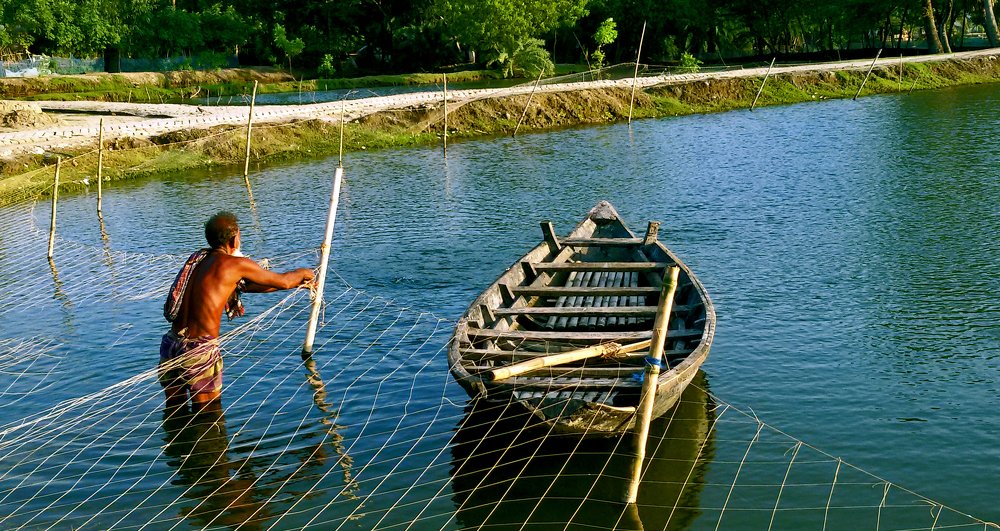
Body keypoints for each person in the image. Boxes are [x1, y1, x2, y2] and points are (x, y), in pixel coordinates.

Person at [159, 211, 314, 408]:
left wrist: (298, 284)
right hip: (199, 351)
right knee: (208, 417)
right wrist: (304, 273)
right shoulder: (235, 264)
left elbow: (248, 286)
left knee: (174, 410)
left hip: (171, 344)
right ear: (234, 239)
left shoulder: (198, 260)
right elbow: (283, 281)